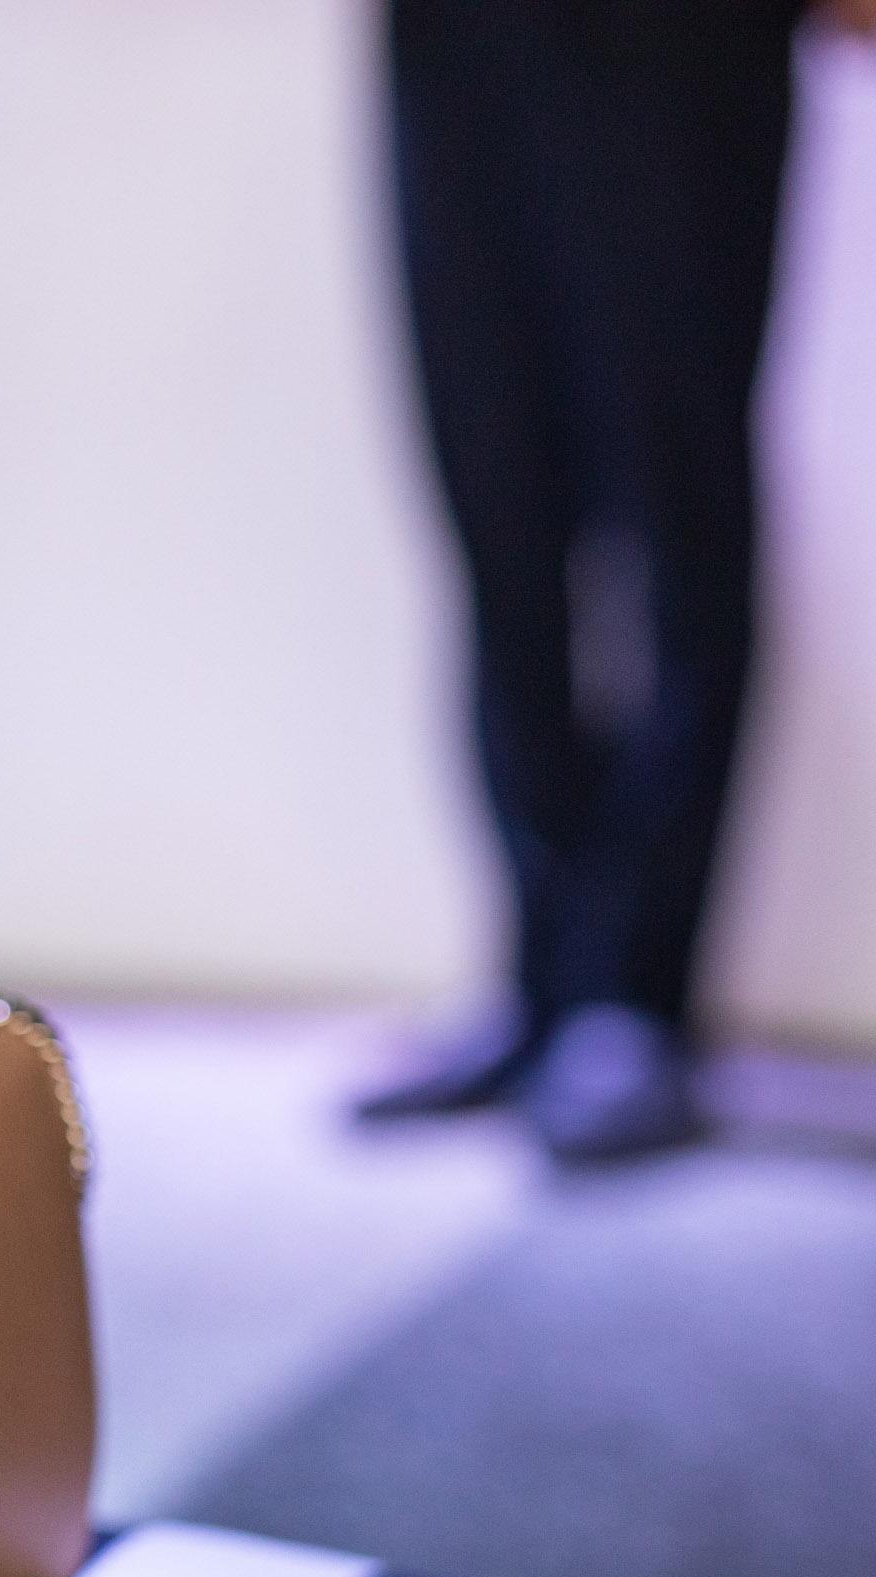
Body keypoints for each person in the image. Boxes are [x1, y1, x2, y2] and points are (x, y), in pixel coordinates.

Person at [359, 0, 870, 1158]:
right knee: (491, 494)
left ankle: (632, 994)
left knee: (674, 497)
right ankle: (542, 972)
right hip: (453, 37)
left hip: (674, 37)